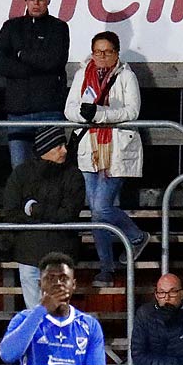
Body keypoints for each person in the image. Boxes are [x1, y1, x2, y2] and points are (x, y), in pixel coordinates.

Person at [65, 30, 149, 280]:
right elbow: (69, 108)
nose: (102, 56)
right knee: (95, 213)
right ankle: (107, 266)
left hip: (116, 148)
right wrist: (86, 115)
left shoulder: (126, 76)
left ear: (116, 53)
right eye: (98, 51)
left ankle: (136, 236)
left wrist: (100, 115)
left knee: (101, 208)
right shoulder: (83, 74)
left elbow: (132, 111)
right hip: (89, 147)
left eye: (108, 52)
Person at [3, 126, 87, 309]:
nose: (64, 150)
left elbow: (68, 214)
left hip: (60, 249)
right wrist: (44, 215)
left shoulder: (73, 175)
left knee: (57, 307)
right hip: (29, 250)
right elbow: (11, 211)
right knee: (35, 310)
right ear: (44, 149)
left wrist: (34, 210)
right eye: (58, 146)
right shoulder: (21, 174)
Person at [0, 0, 70, 168]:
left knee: (53, 171)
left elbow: (55, 61)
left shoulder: (59, 27)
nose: (36, 2)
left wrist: (21, 54)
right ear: (25, 0)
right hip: (19, 111)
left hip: (49, 110)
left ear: (49, 0)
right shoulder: (11, 27)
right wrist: (33, 67)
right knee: (20, 172)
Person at [130, 272, 183, 365]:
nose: (166, 298)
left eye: (172, 292)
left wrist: (174, 327)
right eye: (161, 293)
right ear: (156, 295)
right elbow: (138, 356)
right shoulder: (145, 313)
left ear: (182, 294)